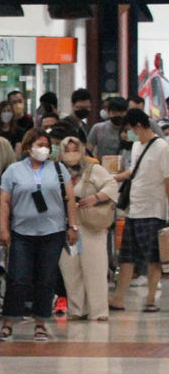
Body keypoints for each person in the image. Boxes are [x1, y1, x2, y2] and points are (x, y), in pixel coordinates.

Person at [0, 129, 80, 341]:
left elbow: (70, 199)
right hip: (22, 232)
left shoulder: (59, 169)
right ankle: (8, 322)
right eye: (38, 144)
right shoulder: (13, 171)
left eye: (46, 145)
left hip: (53, 232)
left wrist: (73, 226)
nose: (43, 149)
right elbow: (4, 202)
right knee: (17, 278)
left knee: (46, 278)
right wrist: (3, 228)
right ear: (27, 147)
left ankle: (41, 323)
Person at [108, 109, 169, 312]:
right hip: (133, 210)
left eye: (130, 130)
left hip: (154, 211)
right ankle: (119, 298)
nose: (129, 134)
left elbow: (168, 181)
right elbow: (134, 170)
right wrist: (115, 177)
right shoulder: (136, 146)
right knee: (126, 256)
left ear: (140, 126)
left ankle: (151, 299)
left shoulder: (162, 147)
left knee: (153, 258)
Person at [57, 136, 118, 321]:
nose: (71, 154)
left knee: (95, 268)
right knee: (70, 269)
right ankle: (77, 309)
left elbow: (112, 184)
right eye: (67, 150)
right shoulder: (56, 171)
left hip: (90, 225)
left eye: (75, 149)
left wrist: (96, 198)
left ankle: (99, 311)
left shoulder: (93, 169)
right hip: (66, 227)